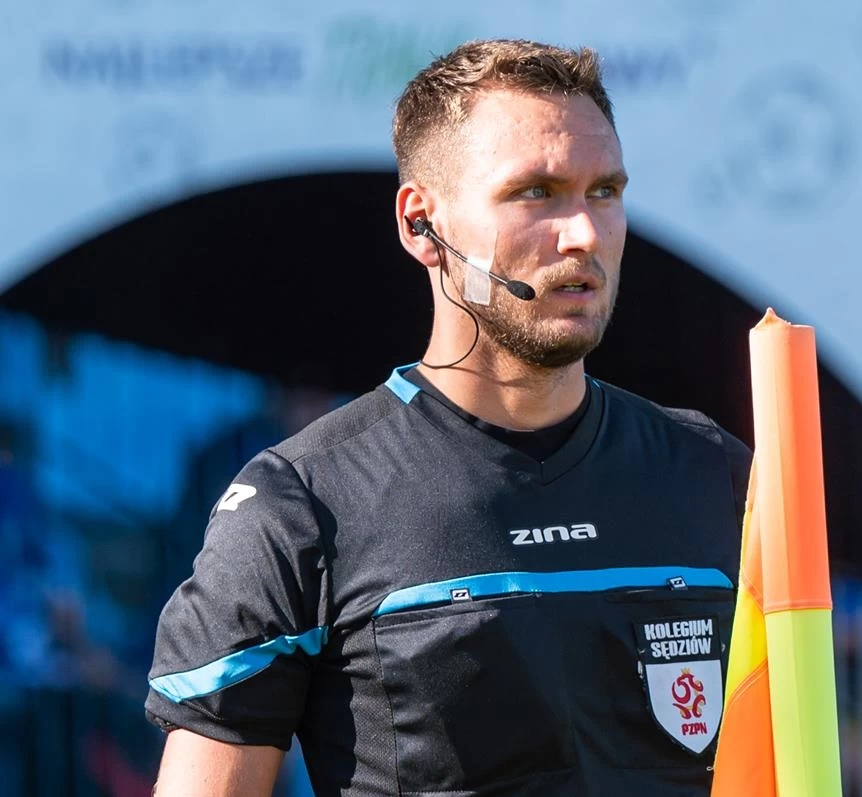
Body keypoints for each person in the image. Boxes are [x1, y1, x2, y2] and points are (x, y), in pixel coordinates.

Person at [146, 39, 751, 796]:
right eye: (535, 192)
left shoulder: (718, 474)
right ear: (420, 224)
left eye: (604, 191)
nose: (584, 234)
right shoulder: (301, 504)